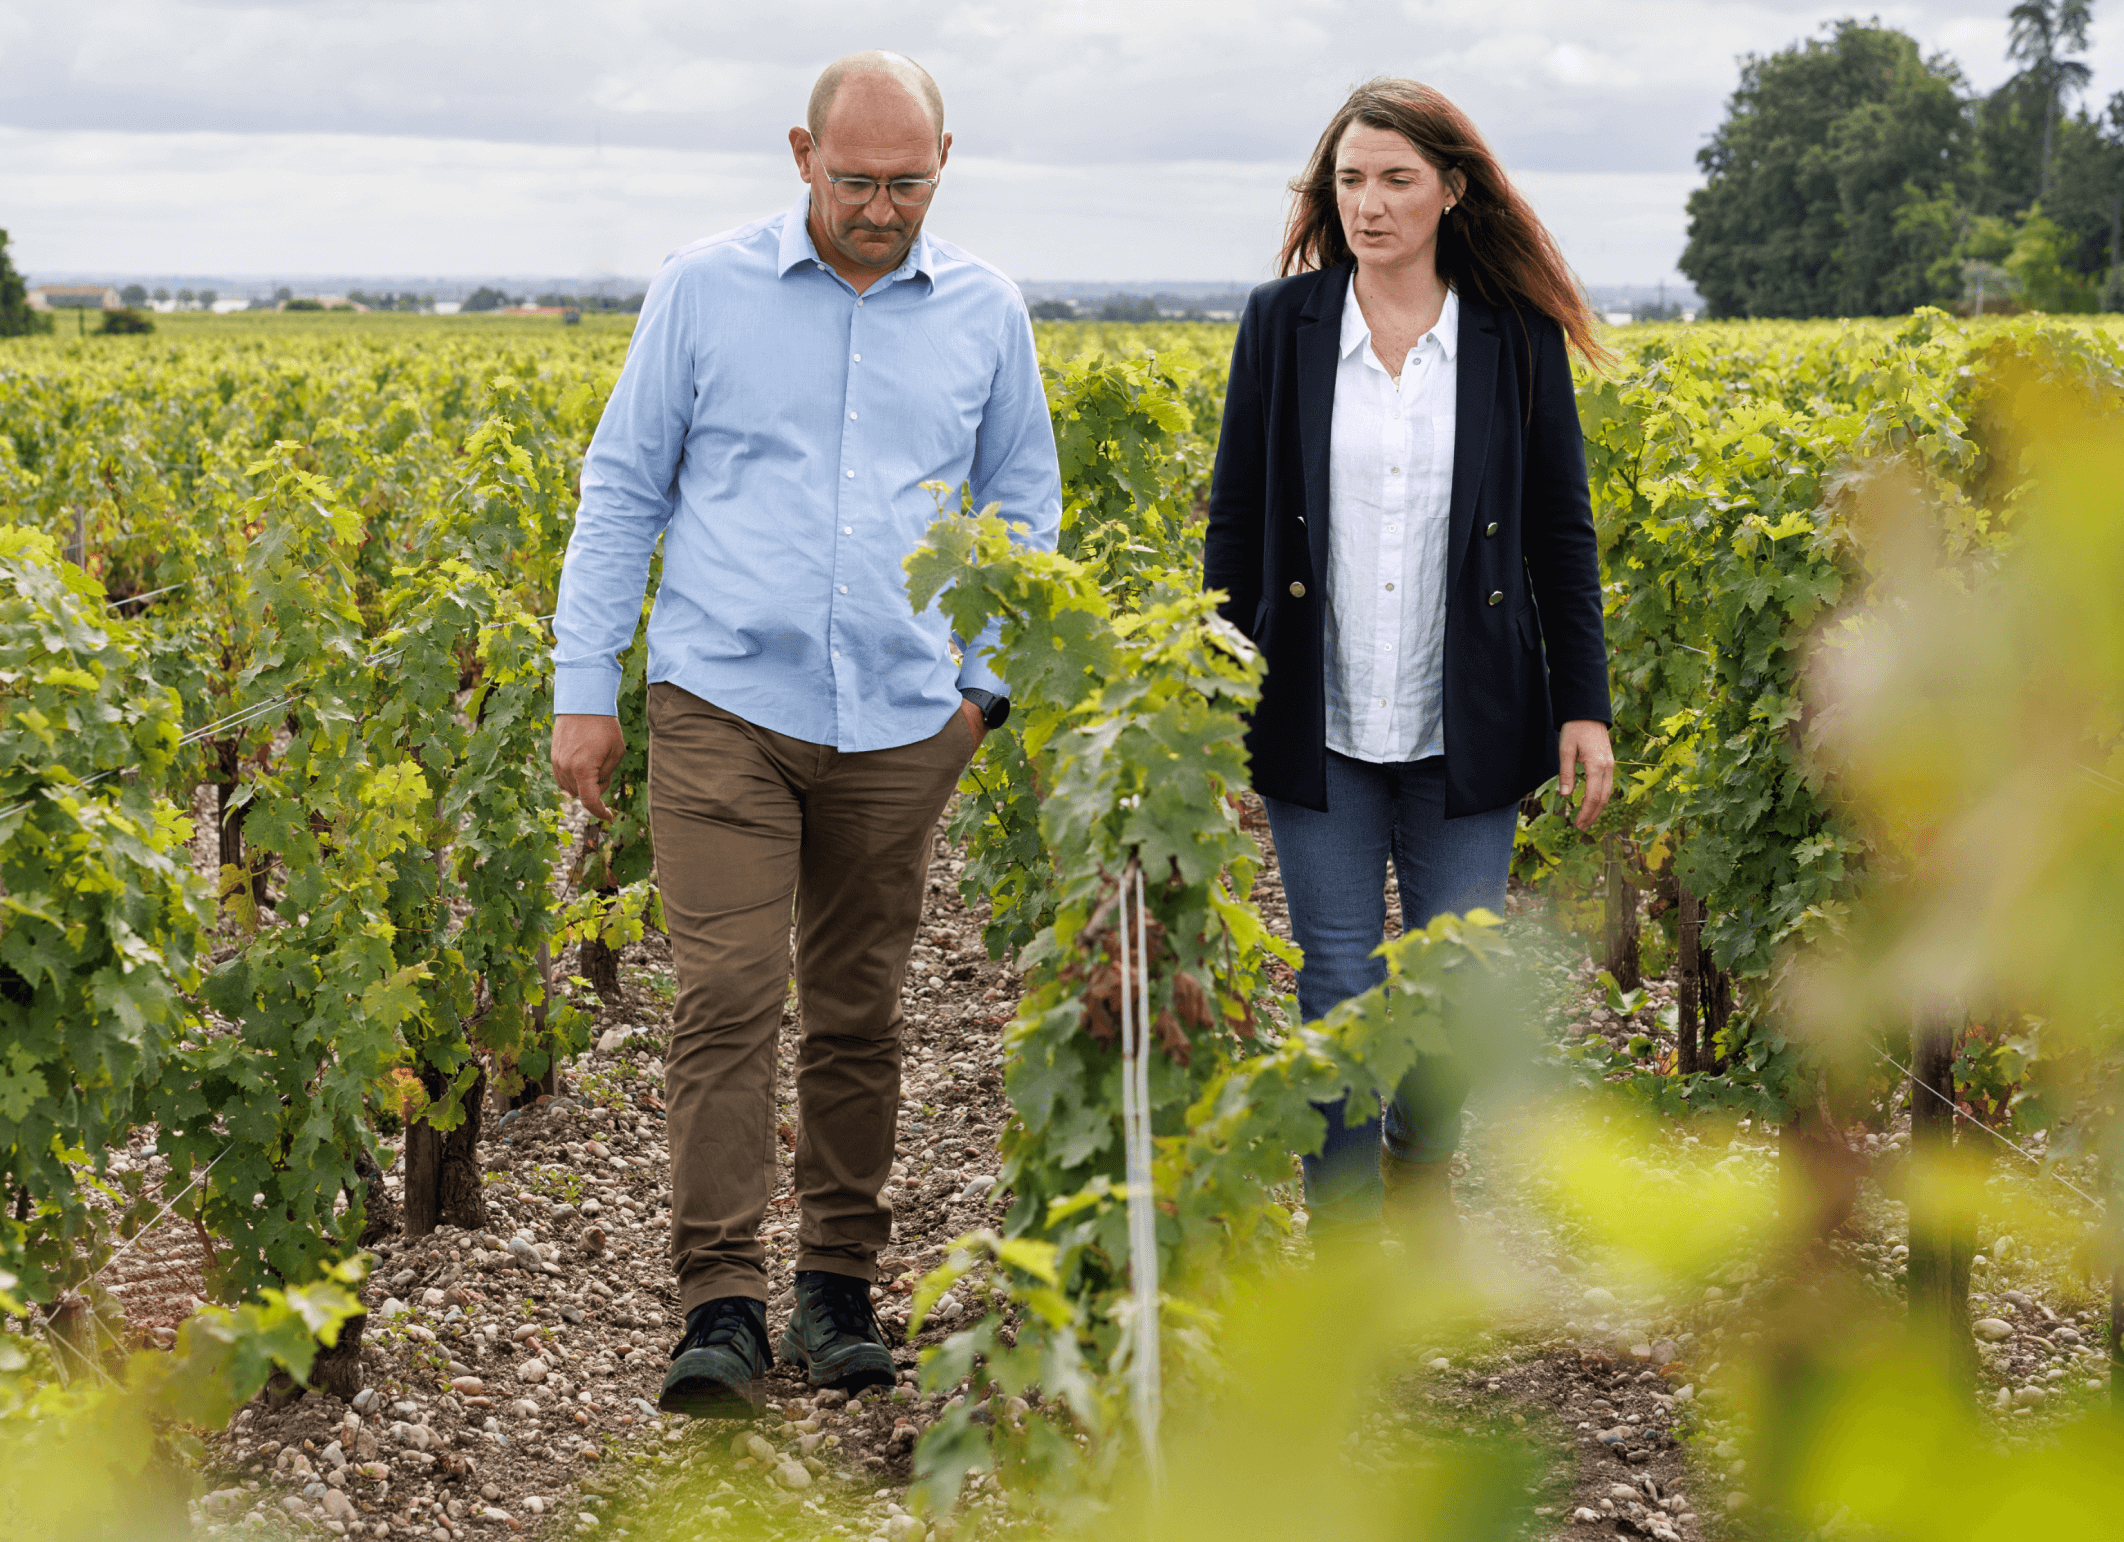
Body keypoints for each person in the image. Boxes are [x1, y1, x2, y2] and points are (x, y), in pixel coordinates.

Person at [549, 49, 1061, 1417]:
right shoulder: (704, 289)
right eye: (856, 180)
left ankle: (837, 1283)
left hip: (904, 720)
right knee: (726, 993)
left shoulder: (987, 312)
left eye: (907, 181)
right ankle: (715, 1298)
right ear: (799, 154)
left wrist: (982, 689)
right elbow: (621, 487)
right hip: (725, 703)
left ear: (945, 162)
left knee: (857, 1008)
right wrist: (583, 687)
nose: (881, 206)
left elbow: (1022, 500)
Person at [1202, 78, 1614, 1240]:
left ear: (1450, 189)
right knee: (1337, 980)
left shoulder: (1512, 341)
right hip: (1317, 719)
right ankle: (1341, 1228)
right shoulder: (1277, 328)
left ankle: (1421, 1167)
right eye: (1349, 181)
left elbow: (1558, 532)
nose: (1369, 206)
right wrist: (1219, 699)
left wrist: (1583, 704)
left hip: (1465, 713)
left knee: (1449, 985)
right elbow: (1234, 525)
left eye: (1394, 180)